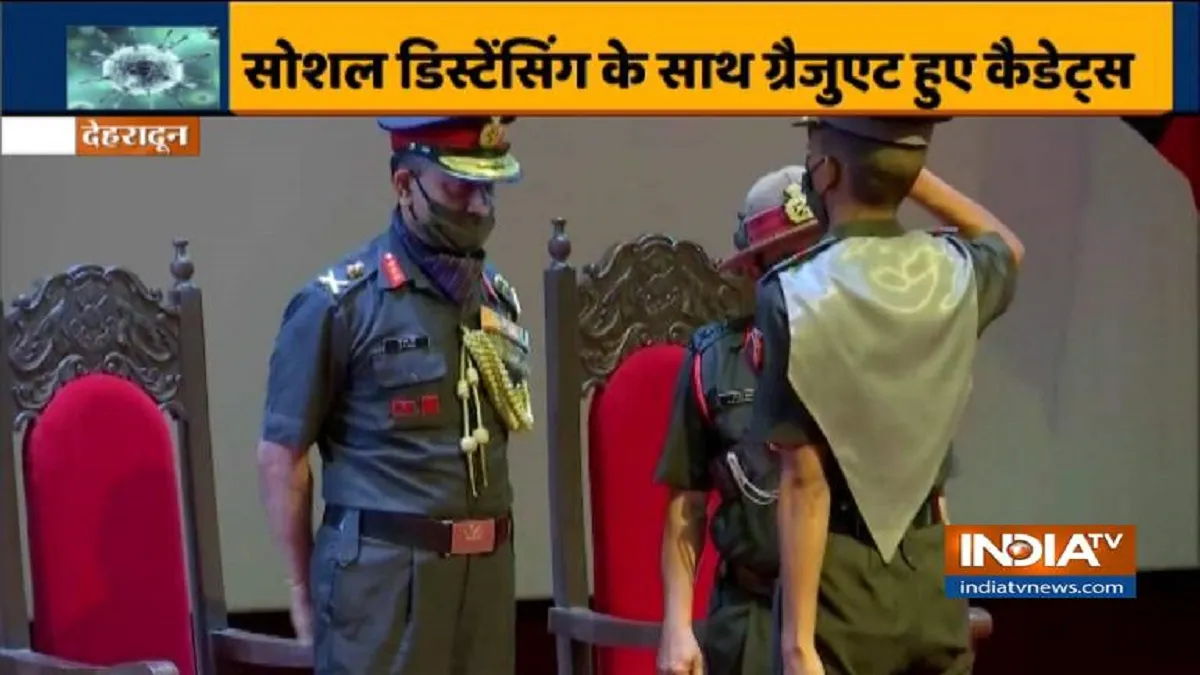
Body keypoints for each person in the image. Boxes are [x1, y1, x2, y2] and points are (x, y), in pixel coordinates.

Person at [255, 116, 534, 675]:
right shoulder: (340, 304)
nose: (479, 206)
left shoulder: (495, 299)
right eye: (459, 187)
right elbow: (281, 456)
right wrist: (301, 587)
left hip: (484, 578)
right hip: (383, 586)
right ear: (405, 185)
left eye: (489, 188)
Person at [753, 117, 1024, 675]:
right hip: (933, 579)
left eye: (814, 154)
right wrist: (902, 167)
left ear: (826, 173)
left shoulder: (794, 293)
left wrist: (797, 646)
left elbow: (805, 482)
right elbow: (1007, 247)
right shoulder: (956, 273)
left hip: (841, 588)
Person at [655, 166, 827, 675]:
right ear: (754, 270)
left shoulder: (874, 353)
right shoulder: (715, 362)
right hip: (753, 613)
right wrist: (676, 626)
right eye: (789, 259)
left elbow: (927, 497)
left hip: (847, 610)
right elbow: (686, 503)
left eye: (820, 253)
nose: (810, 275)